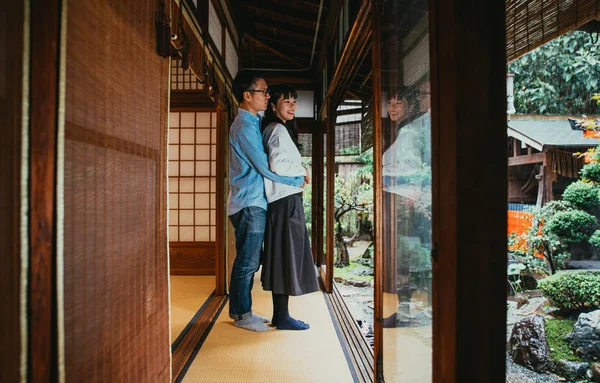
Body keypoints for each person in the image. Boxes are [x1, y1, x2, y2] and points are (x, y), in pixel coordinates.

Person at [227, 71, 307, 332]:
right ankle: (241, 315)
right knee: (248, 262)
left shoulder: (255, 122)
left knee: (252, 260)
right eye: (263, 92)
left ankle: (245, 311)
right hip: (248, 202)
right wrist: (298, 180)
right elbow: (265, 166)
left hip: (254, 201)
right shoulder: (243, 126)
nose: (267, 95)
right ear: (247, 95)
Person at [260, 85, 320, 330]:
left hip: (282, 200)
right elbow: (277, 164)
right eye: (287, 101)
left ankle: (281, 315)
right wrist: (302, 170)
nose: (292, 106)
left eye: (294, 101)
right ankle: (282, 316)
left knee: (283, 255)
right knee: (286, 255)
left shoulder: (277, 129)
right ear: (273, 106)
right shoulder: (276, 129)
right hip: (285, 201)